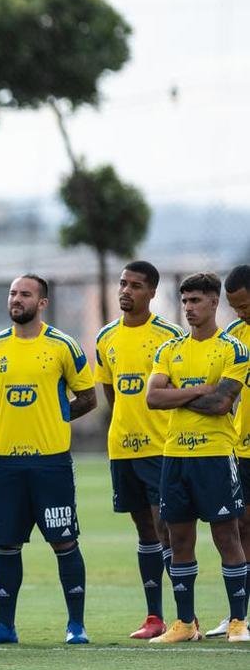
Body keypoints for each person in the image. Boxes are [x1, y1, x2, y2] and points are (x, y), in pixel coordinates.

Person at [0, 274, 97, 646]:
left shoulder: (62, 345)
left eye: (25, 294)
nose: (17, 299)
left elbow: (88, 398)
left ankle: (76, 626)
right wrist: (18, 422)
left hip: (51, 464)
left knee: (64, 542)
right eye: (13, 293)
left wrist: (53, 418)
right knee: (6, 545)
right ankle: (5, 627)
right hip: (6, 464)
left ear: (42, 303)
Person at [146, 272, 249, 644]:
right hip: (175, 454)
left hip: (215, 455)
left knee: (227, 534)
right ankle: (186, 624)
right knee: (179, 536)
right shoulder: (169, 350)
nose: (188, 308)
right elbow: (153, 398)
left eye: (196, 301)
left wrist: (182, 392)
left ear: (214, 302)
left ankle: (238, 622)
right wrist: (201, 390)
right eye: (184, 301)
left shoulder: (232, 349)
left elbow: (223, 403)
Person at [93, 260, 184, 639]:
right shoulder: (106, 337)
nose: (125, 291)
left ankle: (185, 618)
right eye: (122, 283)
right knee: (144, 528)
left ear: (151, 292)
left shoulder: (171, 336)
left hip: (161, 448)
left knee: (167, 528)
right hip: (123, 449)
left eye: (135, 285)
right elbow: (112, 396)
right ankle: (154, 618)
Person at [214, 264, 250, 638]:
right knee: (241, 526)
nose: (241, 313)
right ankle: (240, 614)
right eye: (235, 306)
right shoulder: (234, 338)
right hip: (242, 448)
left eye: (245, 305)